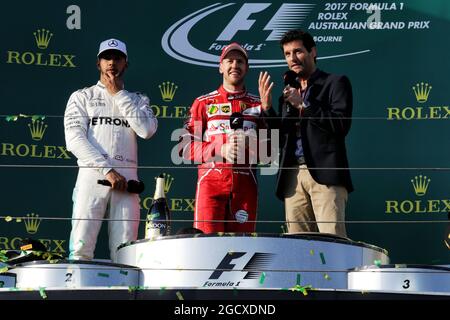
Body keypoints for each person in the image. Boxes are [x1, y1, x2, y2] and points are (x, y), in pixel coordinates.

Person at [64, 38, 158, 261]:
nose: (112, 63)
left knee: (125, 252)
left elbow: (146, 130)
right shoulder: (82, 96)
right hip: (93, 176)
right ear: (98, 63)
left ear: (126, 63)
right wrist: (107, 170)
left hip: (128, 181)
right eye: (107, 57)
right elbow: (74, 140)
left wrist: (119, 94)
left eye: (117, 58)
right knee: (80, 248)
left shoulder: (138, 100)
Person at [258, 30, 353, 237]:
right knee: (298, 246)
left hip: (325, 176)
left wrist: (303, 104)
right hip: (292, 176)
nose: (292, 58)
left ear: (313, 52)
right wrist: (267, 109)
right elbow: (281, 137)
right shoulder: (288, 94)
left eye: (298, 51)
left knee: (333, 242)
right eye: (287, 54)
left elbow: (340, 125)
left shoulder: (335, 83)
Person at [181, 43, 268, 233]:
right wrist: (220, 149)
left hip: (245, 188)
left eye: (240, 61)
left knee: (242, 249)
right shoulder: (203, 103)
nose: (234, 65)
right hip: (210, 187)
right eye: (229, 61)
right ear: (221, 66)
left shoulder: (258, 105)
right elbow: (185, 148)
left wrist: (251, 144)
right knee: (205, 248)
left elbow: (269, 153)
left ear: (247, 67)